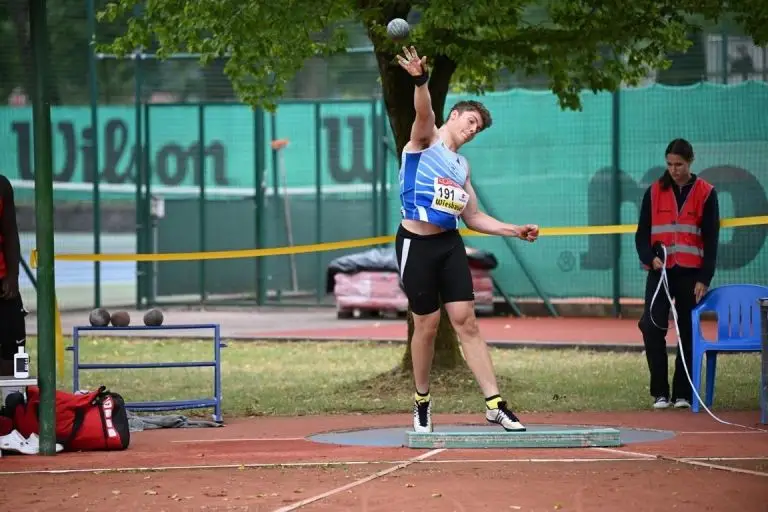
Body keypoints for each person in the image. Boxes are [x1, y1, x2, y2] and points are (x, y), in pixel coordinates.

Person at [394, 46, 539, 433]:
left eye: (478, 128)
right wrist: (421, 80)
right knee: (426, 324)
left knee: (467, 321)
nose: (472, 130)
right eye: (470, 121)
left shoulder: (461, 166)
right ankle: (422, 401)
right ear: (454, 116)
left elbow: (472, 216)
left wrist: (514, 230)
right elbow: (423, 111)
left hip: (449, 244)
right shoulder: (425, 142)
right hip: (416, 244)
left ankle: (495, 404)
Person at [635, 138, 720, 410]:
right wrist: (650, 258)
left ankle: (683, 393)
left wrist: (704, 278)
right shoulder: (653, 192)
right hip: (659, 274)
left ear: (690, 161)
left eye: (679, 165)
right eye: (670, 164)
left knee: (688, 330)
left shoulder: (706, 193)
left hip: (690, 275)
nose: (674, 170)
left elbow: (711, 239)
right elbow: (641, 236)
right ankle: (660, 392)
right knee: (650, 325)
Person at [0, 174, 26, 377]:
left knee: (16, 347)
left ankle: (15, 399)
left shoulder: (2, 186)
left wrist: (13, 275)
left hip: (2, 280)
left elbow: (10, 231)